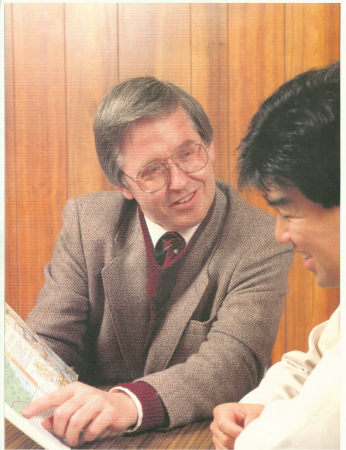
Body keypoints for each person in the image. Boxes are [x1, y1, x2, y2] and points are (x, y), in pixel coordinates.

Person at [22, 77, 293, 446]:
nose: (180, 181)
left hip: (198, 435)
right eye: (152, 170)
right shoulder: (88, 221)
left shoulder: (261, 239)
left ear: (209, 148)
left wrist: (126, 404)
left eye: (188, 153)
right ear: (123, 185)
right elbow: (48, 343)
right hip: (89, 435)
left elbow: (234, 364)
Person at [210, 62, 340, 449]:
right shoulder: (89, 221)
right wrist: (256, 407)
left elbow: (286, 441)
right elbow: (308, 361)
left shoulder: (248, 238)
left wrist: (254, 430)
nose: (280, 234)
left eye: (287, 212)